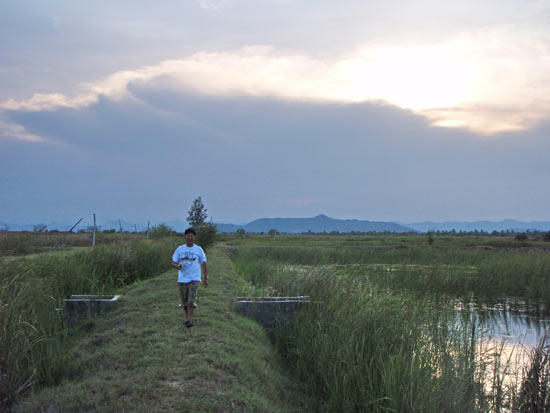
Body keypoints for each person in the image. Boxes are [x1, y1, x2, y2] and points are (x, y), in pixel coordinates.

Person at [171, 228, 208, 328]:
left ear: (194, 238)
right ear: (185, 237)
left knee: (191, 299)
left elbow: (204, 263)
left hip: (194, 278)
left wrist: (205, 277)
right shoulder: (179, 249)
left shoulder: (199, 249)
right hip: (182, 279)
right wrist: (178, 266)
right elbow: (173, 262)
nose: (190, 238)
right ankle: (187, 315)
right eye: (188, 236)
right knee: (184, 300)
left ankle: (188, 320)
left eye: (192, 236)